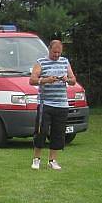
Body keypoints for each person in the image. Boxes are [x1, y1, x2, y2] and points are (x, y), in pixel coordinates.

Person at [30, 39, 76, 170]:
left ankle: (53, 160)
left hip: (61, 104)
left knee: (58, 133)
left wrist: (67, 79)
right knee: (41, 131)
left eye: (59, 52)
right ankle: (36, 159)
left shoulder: (65, 61)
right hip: (45, 103)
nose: (56, 55)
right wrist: (45, 80)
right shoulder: (41, 62)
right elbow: (32, 80)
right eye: (54, 52)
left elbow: (73, 80)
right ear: (49, 50)